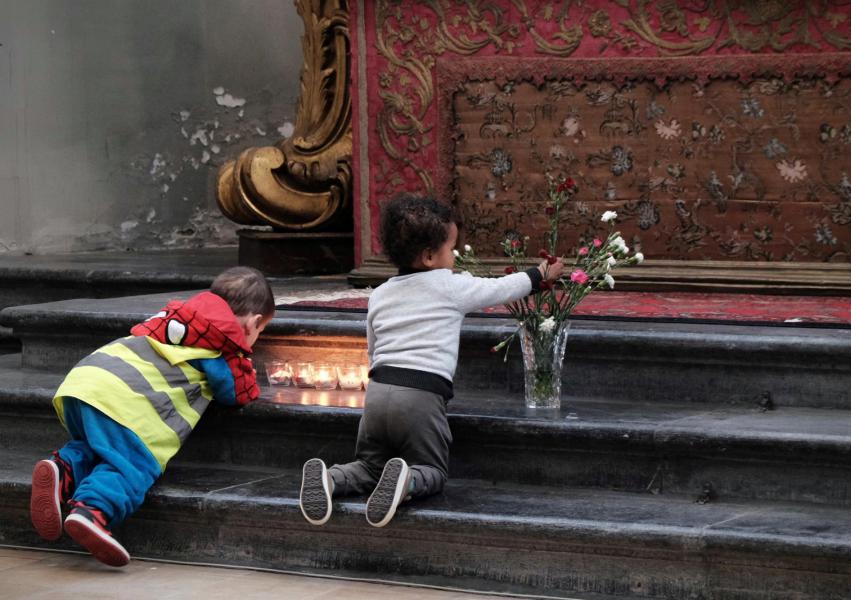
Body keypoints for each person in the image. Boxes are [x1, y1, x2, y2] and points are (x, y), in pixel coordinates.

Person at [299, 195, 563, 528]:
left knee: (369, 466)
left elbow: (373, 344)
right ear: (428, 257)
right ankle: (408, 480)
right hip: (421, 398)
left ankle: (331, 479)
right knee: (434, 471)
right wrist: (539, 274)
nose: (454, 256)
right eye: (451, 249)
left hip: (378, 393)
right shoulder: (449, 286)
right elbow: (500, 288)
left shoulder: (381, 293)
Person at [29, 266, 274, 567]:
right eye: (261, 333)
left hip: (85, 382)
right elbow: (235, 392)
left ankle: (63, 469)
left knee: (99, 446)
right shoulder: (219, 343)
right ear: (254, 322)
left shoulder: (177, 319)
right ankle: (92, 510)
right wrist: (245, 364)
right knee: (131, 463)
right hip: (123, 402)